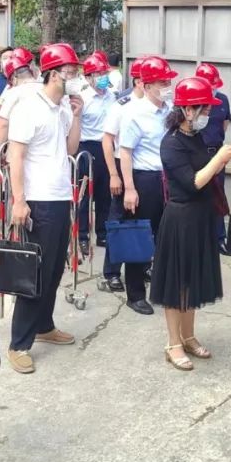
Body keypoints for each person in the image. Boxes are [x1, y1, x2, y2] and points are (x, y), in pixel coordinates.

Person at [6, 44, 84, 375]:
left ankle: (44, 325)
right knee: (34, 272)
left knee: (53, 269)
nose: (75, 78)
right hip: (37, 199)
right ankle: (19, 344)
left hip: (60, 196)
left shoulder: (63, 107)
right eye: (70, 73)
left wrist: (77, 116)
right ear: (53, 74)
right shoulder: (29, 108)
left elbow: (70, 148)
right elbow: (16, 155)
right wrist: (19, 200)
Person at [152, 77, 231, 371]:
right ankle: (173, 343)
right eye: (204, 110)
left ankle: (188, 336)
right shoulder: (171, 143)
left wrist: (219, 159)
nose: (208, 116)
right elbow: (193, 182)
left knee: (192, 281)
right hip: (181, 219)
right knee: (177, 284)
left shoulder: (196, 137)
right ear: (188, 111)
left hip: (201, 216)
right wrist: (219, 159)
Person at [119, 56, 178, 316]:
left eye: (168, 82)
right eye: (162, 83)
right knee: (140, 236)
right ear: (146, 85)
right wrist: (130, 188)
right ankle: (135, 294)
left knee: (166, 236)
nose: (167, 87)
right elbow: (126, 152)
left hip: (169, 178)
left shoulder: (171, 110)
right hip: (145, 179)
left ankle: (161, 285)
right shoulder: (134, 113)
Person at [98, 56, 148, 291]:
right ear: (139, 81)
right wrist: (113, 174)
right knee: (118, 221)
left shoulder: (158, 107)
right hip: (122, 164)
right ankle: (112, 272)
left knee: (144, 222)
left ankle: (142, 266)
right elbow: (107, 140)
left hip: (147, 171)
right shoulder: (122, 105)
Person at [78, 53, 115, 254]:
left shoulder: (112, 96)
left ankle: (102, 233)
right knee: (85, 195)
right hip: (86, 147)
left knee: (104, 193)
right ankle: (83, 235)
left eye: (105, 72)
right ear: (88, 77)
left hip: (106, 147)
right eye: (99, 74)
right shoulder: (82, 98)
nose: (103, 77)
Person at [194, 63, 231, 253]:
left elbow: (224, 125)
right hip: (197, 153)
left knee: (217, 195)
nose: (214, 89)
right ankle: (198, 237)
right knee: (197, 194)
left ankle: (219, 238)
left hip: (216, 152)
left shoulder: (222, 100)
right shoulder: (193, 101)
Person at [0, 49, 40, 145]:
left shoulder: (14, 92)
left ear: (14, 78)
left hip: (20, 145)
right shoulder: (46, 88)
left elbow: (3, 124)